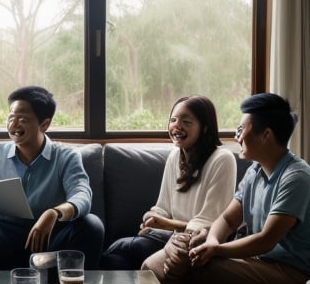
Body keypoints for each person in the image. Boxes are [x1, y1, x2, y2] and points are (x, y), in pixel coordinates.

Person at [143, 92, 310, 284]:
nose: (237, 136)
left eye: (241, 129)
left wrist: (216, 251)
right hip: (258, 260)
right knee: (159, 264)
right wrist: (212, 241)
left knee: (196, 268)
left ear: (266, 135)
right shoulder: (255, 171)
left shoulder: (296, 178)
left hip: (288, 272)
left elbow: (266, 240)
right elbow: (227, 220)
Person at [0, 85, 104, 270]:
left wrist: (54, 213)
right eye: (11, 117)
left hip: (49, 239)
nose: (13, 125)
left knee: (92, 225)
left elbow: (82, 194)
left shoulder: (66, 156)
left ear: (44, 124)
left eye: (22, 119)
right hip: (1, 236)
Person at [100, 95, 237, 269]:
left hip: (196, 244)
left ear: (204, 128)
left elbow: (208, 226)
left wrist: (165, 224)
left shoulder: (222, 159)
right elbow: (162, 209)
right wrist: (151, 218)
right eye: (173, 120)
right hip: (171, 238)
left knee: (125, 248)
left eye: (186, 122)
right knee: (116, 255)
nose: (176, 126)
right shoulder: (175, 156)